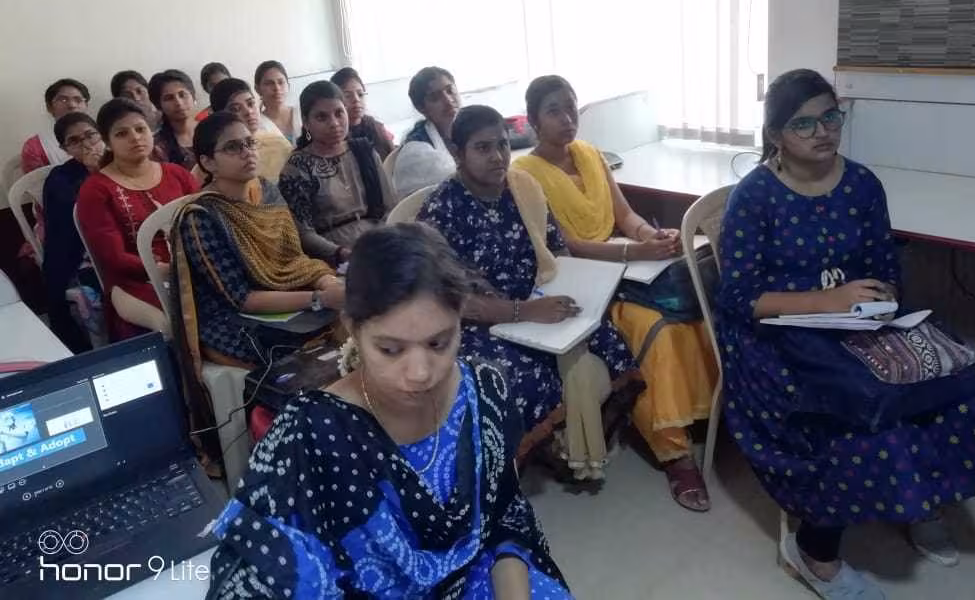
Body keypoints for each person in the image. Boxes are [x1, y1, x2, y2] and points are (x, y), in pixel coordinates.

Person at [716, 69, 975, 599]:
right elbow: (739, 298)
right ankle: (814, 553)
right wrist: (826, 302)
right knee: (858, 405)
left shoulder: (861, 184)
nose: (822, 131)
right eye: (803, 123)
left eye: (830, 116)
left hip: (854, 321)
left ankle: (921, 497)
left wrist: (879, 304)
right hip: (774, 335)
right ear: (776, 135)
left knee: (946, 373)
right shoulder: (755, 197)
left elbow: (885, 267)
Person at [205, 223, 572, 599]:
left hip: (480, 578)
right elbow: (262, 576)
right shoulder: (311, 433)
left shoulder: (483, 392)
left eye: (438, 343)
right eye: (390, 350)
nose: (420, 373)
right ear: (353, 328)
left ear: (461, 319)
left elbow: (505, 515)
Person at [514, 74, 718, 512]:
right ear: (533, 121)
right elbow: (563, 246)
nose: (567, 119)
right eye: (554, 111)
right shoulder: (525, 175)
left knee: (696, 311)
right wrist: (631, 251)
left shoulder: (590, 154)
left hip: (629, 265)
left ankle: (703, 415)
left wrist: (651, 236)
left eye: (571, 107)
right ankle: (674, 452)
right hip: (582, 279)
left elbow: (624, 214)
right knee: (657, 330)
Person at [418, 105, 642, 479]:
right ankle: (548, 454)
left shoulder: (522, 188)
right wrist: (523, 311)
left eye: (503, 145)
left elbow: (557, 250)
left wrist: (580, 289)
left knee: (606, 336)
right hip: (478, 322)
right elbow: (450, 300)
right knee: (522, 373)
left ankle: (584, 445)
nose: (498, 156)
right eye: (483, 148)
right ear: (458, 154)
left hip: (539, 300)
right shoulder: (441, 210)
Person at [170, 112, 345, 371]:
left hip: (290, 300)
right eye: (233, 147)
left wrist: (327, 282)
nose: (247, 152)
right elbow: (241, 299)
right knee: (309, 356)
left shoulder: (266, 191)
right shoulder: (200, 217)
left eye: (250, 143)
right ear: (208, 162)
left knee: (358, 316)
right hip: (234, 322)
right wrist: (319, 298)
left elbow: (294, 260)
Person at [77, 99, 198, 340]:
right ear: (107, 142)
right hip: (133, 282)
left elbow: (204, 223)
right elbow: (112, 256)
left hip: (190, 269)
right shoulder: (96, 189)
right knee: (173, 326)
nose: (135, 137)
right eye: (122, 133)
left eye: (140, 129)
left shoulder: (178, 174)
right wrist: (164, 270)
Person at [278, 81, 394, 264]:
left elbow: (390, 207)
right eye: (322, 117)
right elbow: (303, 234)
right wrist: (342, 254)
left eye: (339, 113)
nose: (334, 123)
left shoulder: (364, 151)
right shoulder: (297, 168)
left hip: (379, 239)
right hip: (332, 254)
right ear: (306, 123)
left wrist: (387, 241)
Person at [42, 112, 105, 354]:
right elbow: (73, 223)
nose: (86, 144)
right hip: (81, 253)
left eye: (91, 135)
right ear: (64, 148)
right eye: (75, 141)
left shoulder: (120, 161)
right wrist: (95, 173)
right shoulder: (59, 178)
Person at [391, 66, 460, 197]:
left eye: (450, 90)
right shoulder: (416, 153)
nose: (448, 100)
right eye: (435, 97)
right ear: (421, 108)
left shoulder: (471, 127)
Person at [207, 78, 292, 181]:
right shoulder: (215, 159)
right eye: (235, 109)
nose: (248, 112)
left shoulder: (279, 144)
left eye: (251, 104)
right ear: (219, 116)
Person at [21, 78, 91, 173]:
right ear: (49, 107)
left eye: (78, 100)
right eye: (63, 100)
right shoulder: (35, 147)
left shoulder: (103, 136)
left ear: (86, 106)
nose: (72, 105)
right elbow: (35, 181)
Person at [329, 67, 396, 159]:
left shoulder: (377, 128)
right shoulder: (334, 135)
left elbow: (393, 159)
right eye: (347, 96)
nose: (356, 100)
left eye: (360, 94)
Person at [149, 70, 198, 170]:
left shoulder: (213, 130)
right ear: (159, 105)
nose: (178, 102)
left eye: (182, 95)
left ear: (193, 96)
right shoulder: (156, 146)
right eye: (169, 98)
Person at [254, 60, 301, 142]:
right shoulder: (256, 125)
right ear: (257, 89)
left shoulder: (302, 113)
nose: (277, 88)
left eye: (281, 82)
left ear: (288, 85)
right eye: (269, 83)